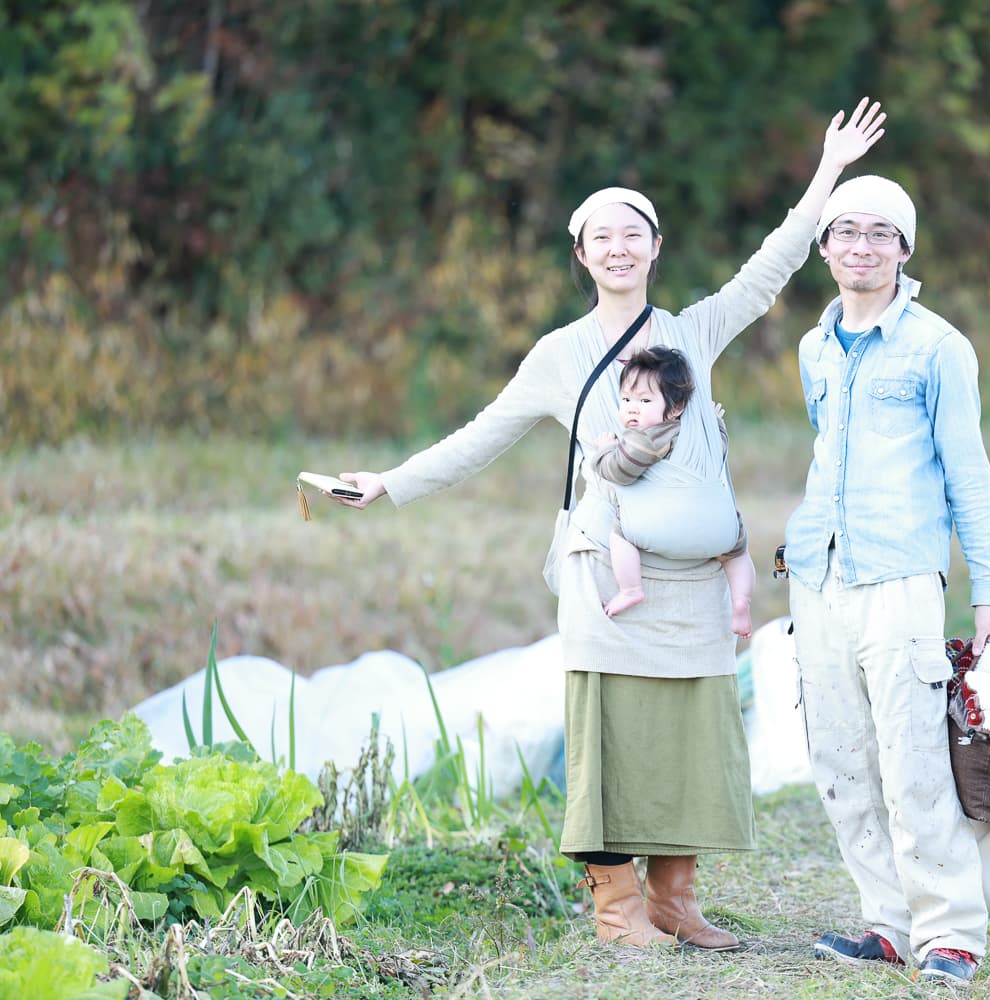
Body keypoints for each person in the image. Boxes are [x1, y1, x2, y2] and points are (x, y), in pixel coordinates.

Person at [331, 100, 887, 951]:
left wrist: (829, 170)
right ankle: (617, 909)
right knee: (610, 738)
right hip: (608, 580)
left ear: (656, 248)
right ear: (581, 254)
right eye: (602, 236)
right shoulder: (558, 355)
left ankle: (675, 899)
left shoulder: (694, 331)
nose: (619, 247)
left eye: (635, 232)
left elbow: (772, 266)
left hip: (696, 584)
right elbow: (483, 436)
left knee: (694, 736)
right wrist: (390, 484)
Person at [782, 175, 990, 985]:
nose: (862, 248)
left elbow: (969, 474)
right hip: (817, 577)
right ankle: (885, 922)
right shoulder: (814, 347)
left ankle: (950, 932)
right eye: (847, 232)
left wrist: (988, 592)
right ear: (824, 247)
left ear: (906, 249)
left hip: (903, 578)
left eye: (881, 234)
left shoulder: (938, 347)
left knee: (913, 760)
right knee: (841, 760)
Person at [591, 346, 758, 638]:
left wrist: (604, 451)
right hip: (718, 531)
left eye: (644, 400)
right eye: (627, 399)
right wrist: (715, 423)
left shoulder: (649, 437)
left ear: (677, 407)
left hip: (660, 528)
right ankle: (741, 601)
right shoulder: (699, 436)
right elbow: (718, 445)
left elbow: (620, 470)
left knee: (619, 533)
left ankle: (630, 589)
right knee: (738, 552)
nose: (632, 407)